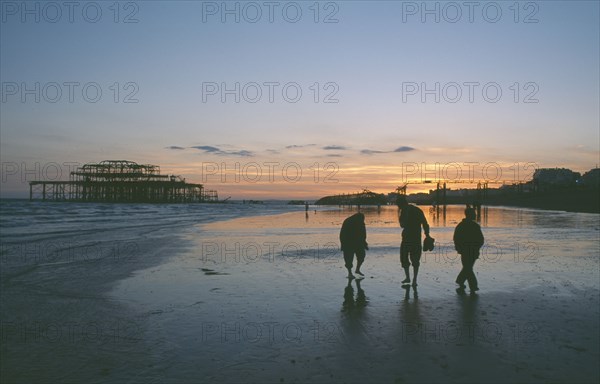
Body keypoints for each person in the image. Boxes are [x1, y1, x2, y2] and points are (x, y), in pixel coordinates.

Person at [397, 195, 431, 286]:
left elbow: (402, 225)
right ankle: (414, 280)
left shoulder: (404, 211)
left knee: (404, 258)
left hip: (407, 238)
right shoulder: (418, 210)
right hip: (416, 239)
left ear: (400, 205)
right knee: (415, 260)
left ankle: (408, 278)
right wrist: (427, 235)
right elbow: (425, 223)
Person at [453, 206, 484, 294]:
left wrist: (459, 248)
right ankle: (473, 286)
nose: (475, 215)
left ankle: (460, 281)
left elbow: (456, 238)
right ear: (470, 215)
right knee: (468, 268)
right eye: (474, 214)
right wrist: (477, 247)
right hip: (472, 250)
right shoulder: (475, 226)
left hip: (465, 250)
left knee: (467, 267)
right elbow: (481, 239)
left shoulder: (460, 225)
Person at [339, 212, 368, 279]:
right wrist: (342, 244)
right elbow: (342, 234)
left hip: (359, 242)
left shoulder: (361, 221)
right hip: (348, 243)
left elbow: (363, 233)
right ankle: (350, 273)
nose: (363, 221)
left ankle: (357, 269)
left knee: (361, 256)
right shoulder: (348, 221)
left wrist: (364, 243)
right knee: (348, 259)